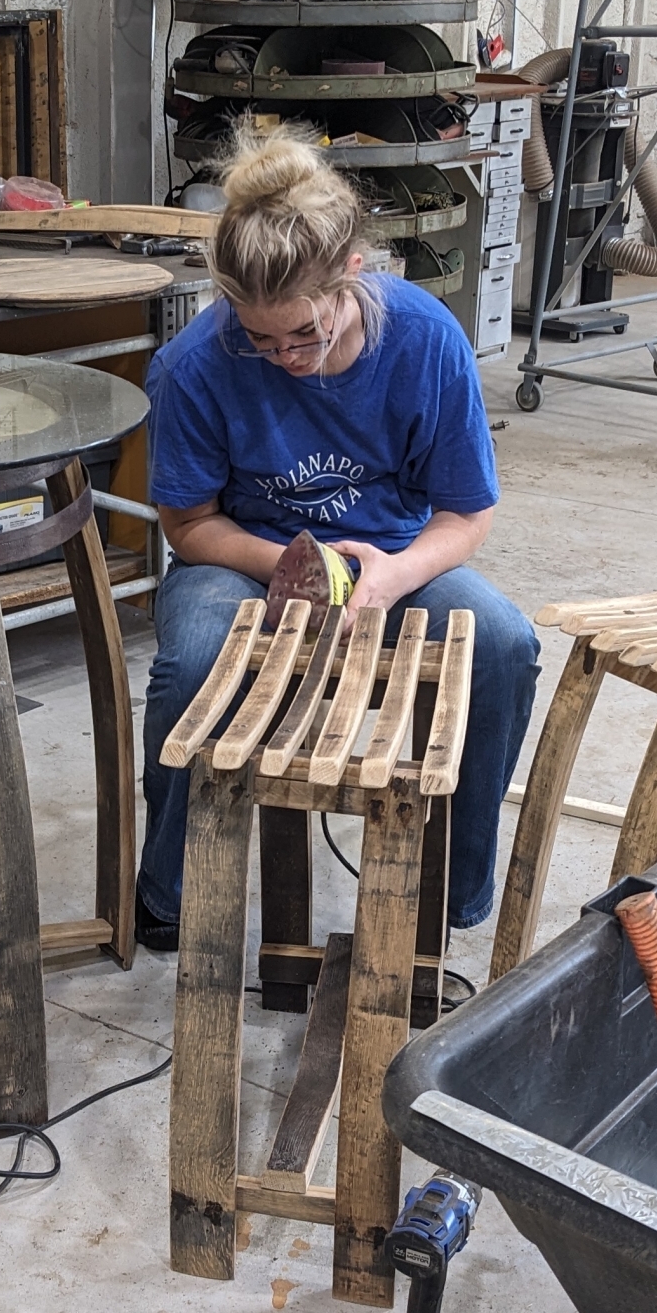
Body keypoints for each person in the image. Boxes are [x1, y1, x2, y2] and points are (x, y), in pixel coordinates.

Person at [136, 123, 540, 951]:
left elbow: (465, 516)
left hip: (391, 556)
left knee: (501, 642)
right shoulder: (194, 364)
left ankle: (450, 889)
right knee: (194, 656)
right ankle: (169, 886)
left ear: (353, 273)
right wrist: (279, 561)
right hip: (246, 557)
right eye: (260, 338)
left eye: (305, 335)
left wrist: (389, 578)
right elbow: (187, 525)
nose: (283, 356)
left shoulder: (424, 338)